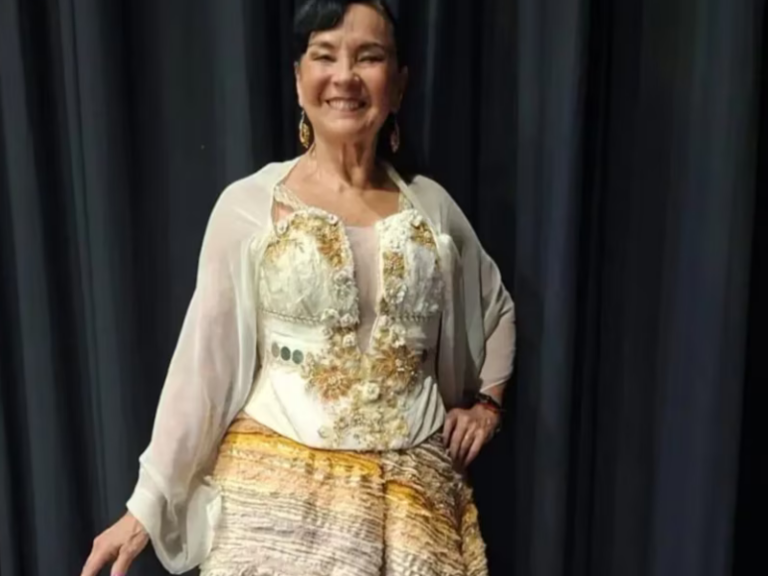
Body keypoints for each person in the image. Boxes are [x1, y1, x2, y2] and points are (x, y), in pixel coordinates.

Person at [81, 1, 516, 575]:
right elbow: (202, 371)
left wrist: (487, 406)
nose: (345, 77)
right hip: (277, 510)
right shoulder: (248, 207)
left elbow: (495, 307)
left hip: (413, 513)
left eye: (369, 57)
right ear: (297, 78)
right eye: (324, 56)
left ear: (399, 84)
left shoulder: (431, 210)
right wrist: (145, 508)